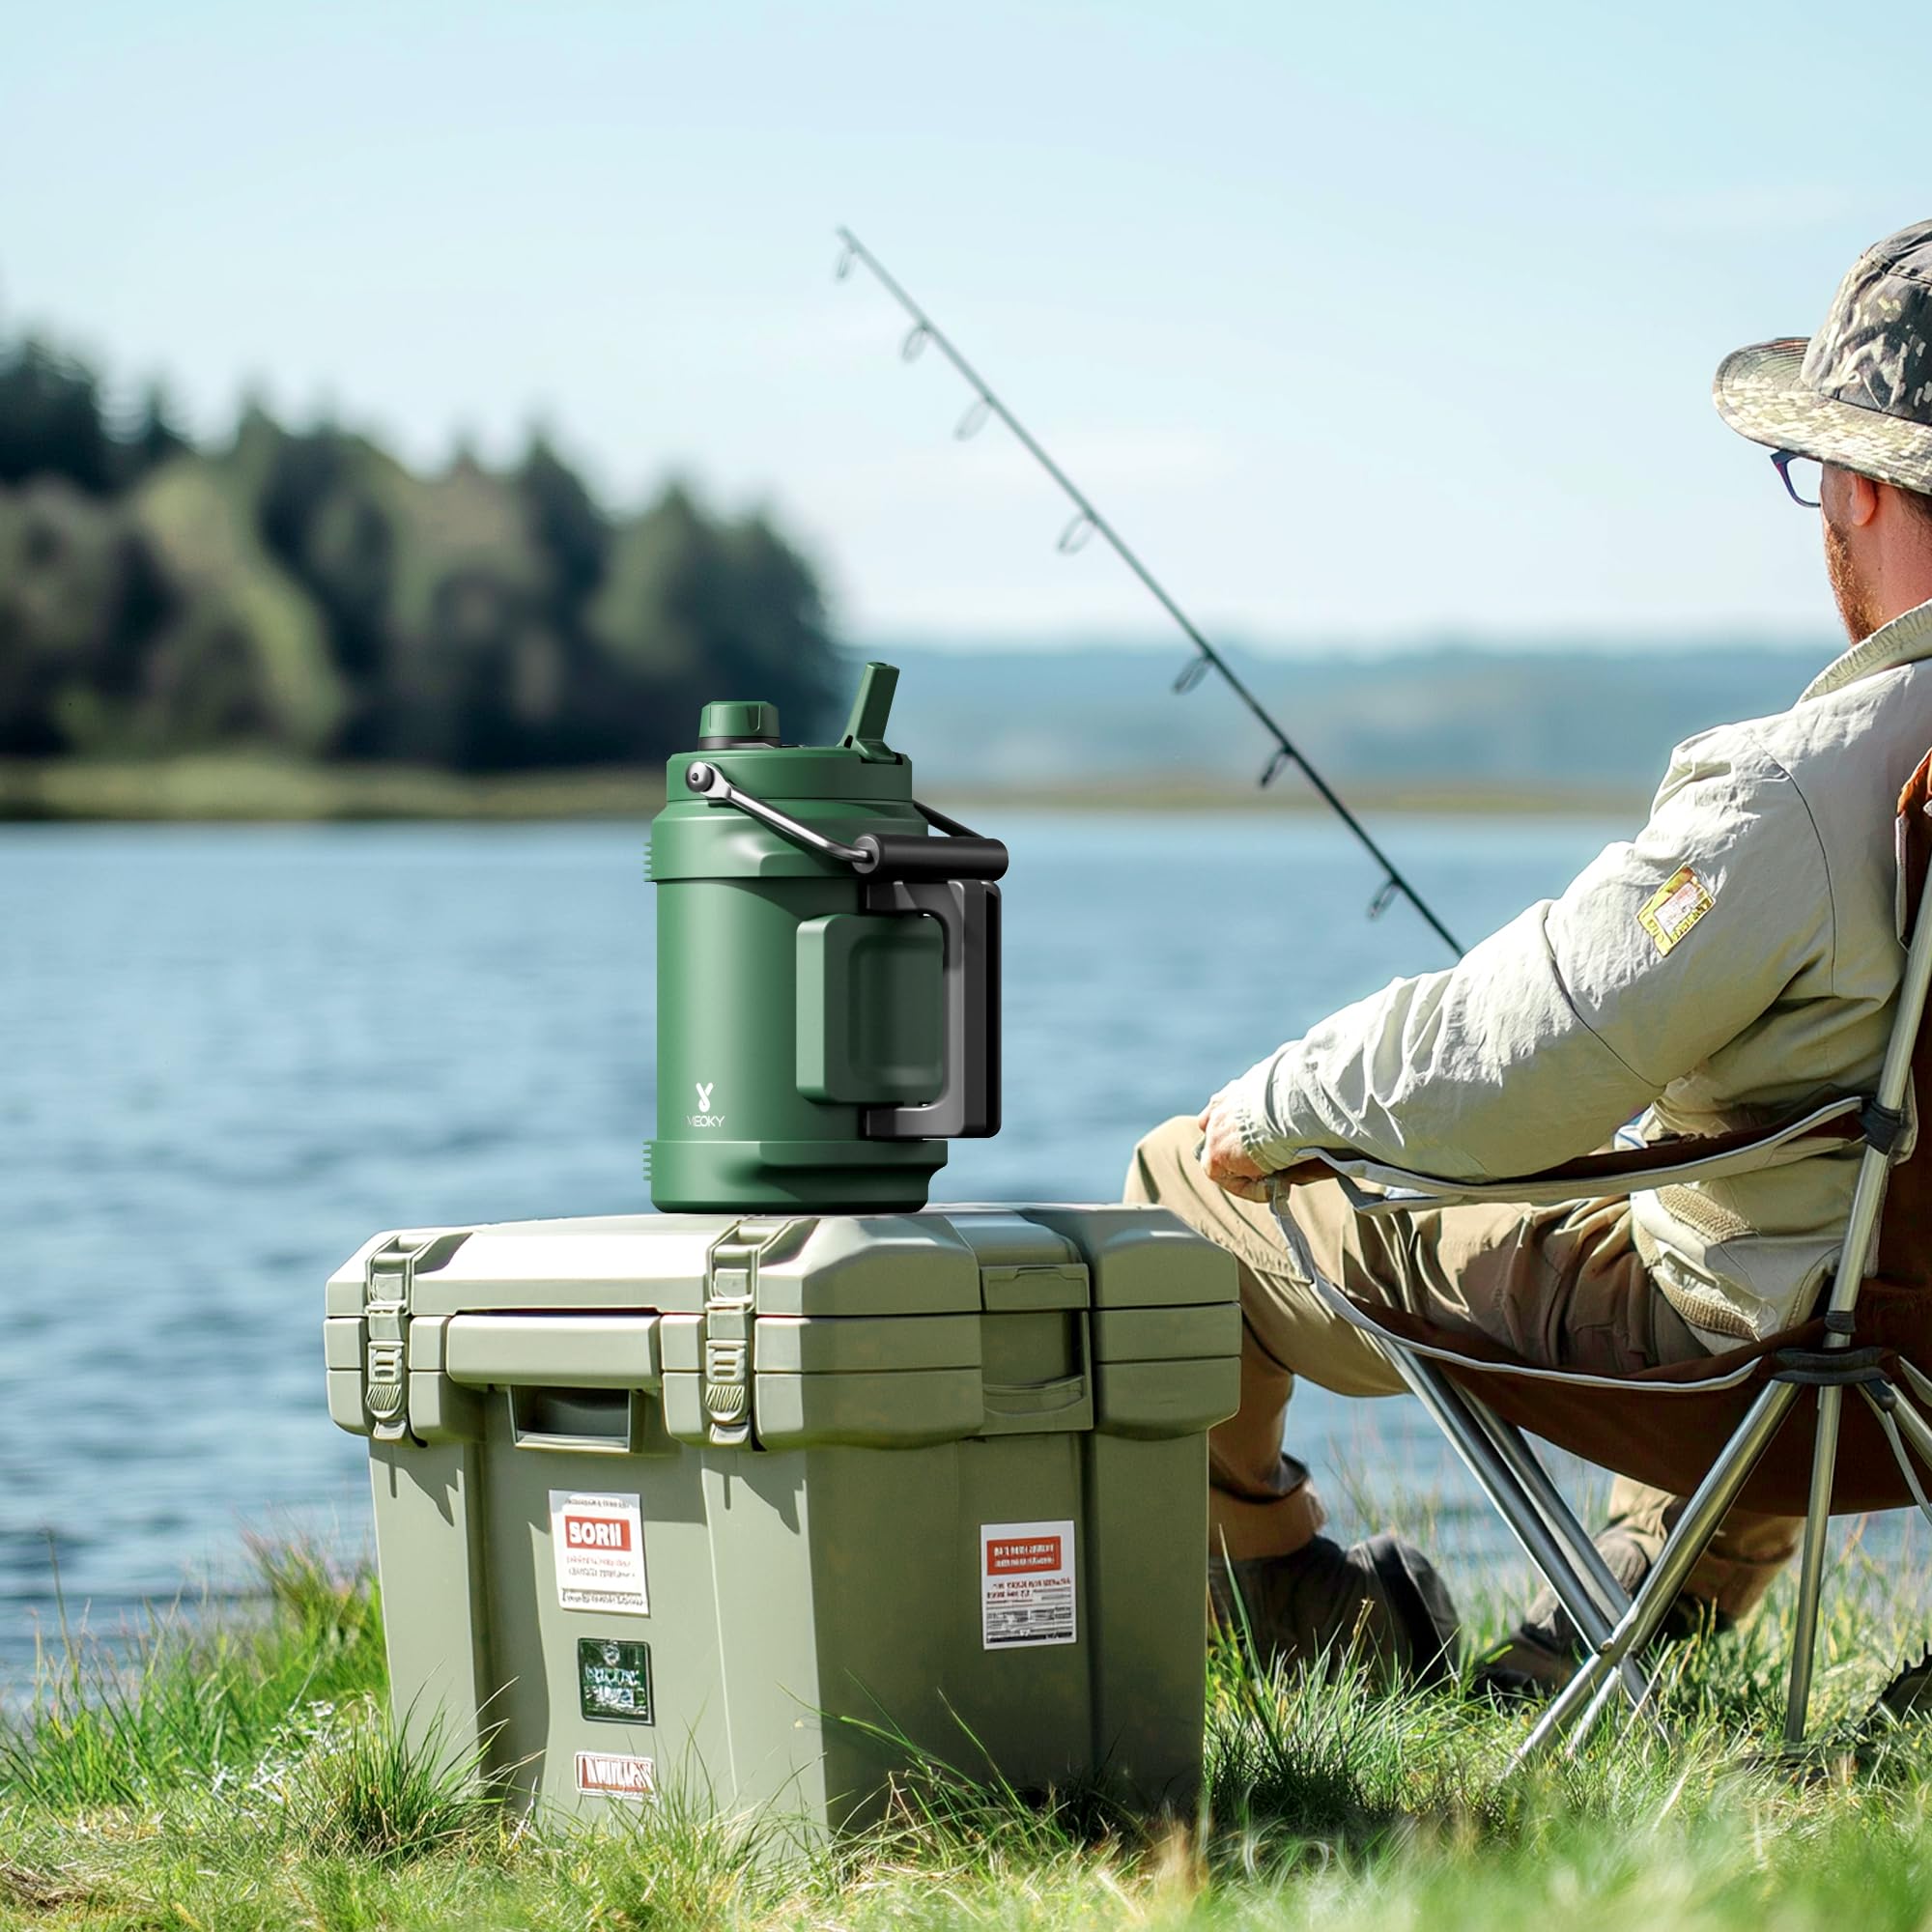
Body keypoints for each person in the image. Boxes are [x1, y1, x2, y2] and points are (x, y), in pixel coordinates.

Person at [1126, 218, 1932, 1688]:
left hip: (1790, 1371)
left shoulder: (1802, 796)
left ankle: (1294, 1610)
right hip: (1909, 1366)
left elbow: (1518, 1058)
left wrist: (1280, 1103)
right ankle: (1638, 1598)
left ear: (1865, 484)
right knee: (1750, 1176)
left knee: (1184, 1184)